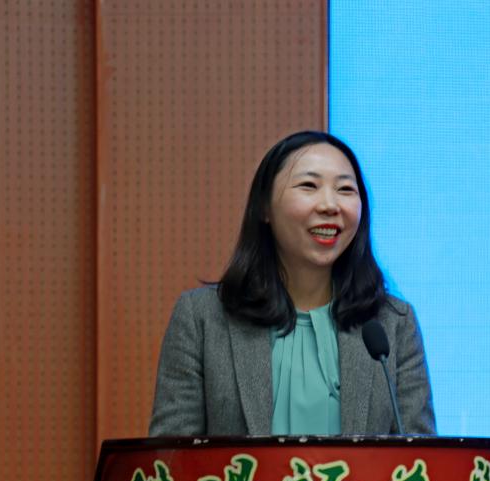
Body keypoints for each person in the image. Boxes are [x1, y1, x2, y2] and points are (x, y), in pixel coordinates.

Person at [148, 130, 435, 437]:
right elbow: (172, 455)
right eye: (309, 186)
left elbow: (420, 457)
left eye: (345, 189)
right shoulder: (202, 318)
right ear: (264, 207)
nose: (330, 205)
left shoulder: (393, 323)